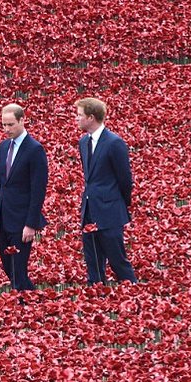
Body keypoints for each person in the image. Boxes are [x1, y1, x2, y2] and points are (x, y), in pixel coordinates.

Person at [75, 97, 138, 285]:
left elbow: (125, 179)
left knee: (117, 260)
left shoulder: (114, 143)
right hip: (89, 209)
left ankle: (132, 293)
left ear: (91, 118)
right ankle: (96, 300)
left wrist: (119, 204)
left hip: (110, 210)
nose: (76, 119)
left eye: (79, 115)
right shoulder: (83, 142)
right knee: (93, 262)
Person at [0, 103, 49, 291]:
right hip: (3, 217)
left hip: (22, 219)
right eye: (4, 125)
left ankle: (28, 306)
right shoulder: (4, 146)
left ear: (22, 120)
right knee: (9, 267)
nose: (6, 130)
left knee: (19, 269)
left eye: (10, 125)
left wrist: (31, 224)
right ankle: (28, 304)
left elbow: (38, 190)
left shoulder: (35, 149)